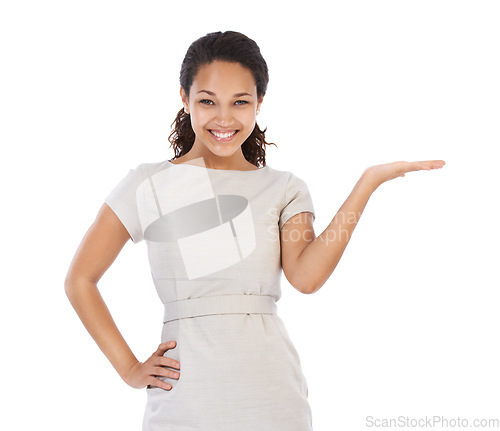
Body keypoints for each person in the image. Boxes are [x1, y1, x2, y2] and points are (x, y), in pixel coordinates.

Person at [64, 30, 445, 430]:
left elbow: (307, 277)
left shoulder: (282, 188)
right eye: (207, 101)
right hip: (183, 400)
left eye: (240, 102)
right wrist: (129, 369)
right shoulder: (148, 184)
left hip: (272, 397)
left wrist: (367, 183)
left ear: (259, 103)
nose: (224, 118)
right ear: (184, 97)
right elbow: (80, 280)